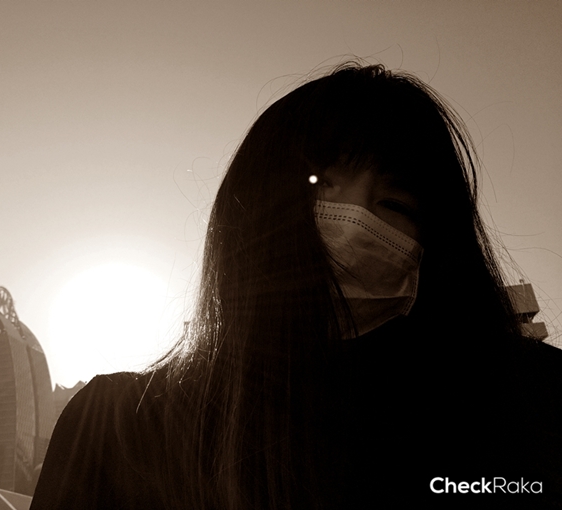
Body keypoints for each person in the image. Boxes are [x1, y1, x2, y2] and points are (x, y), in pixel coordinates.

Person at [31, 62, 562, 509]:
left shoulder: (533, 405)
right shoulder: (118, 425)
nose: (351, 222)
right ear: (249, 203)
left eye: (394, 204)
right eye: (317, 184)